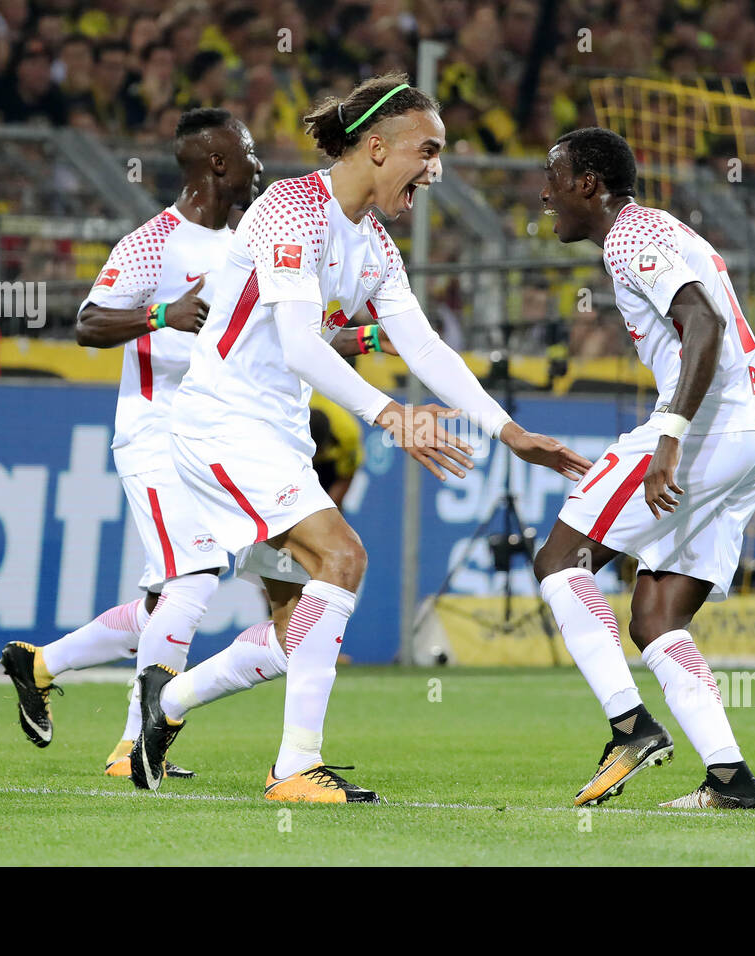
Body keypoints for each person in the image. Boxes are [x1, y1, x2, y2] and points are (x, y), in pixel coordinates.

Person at [129, 73, 591, 803]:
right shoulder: (291, 208)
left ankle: (169, 703)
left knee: (296, 633)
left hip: (274, 434)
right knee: (344, 557)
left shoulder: (372, 243)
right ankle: (293, 769)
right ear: (378, 148)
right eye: (428, 151)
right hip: (221, 422)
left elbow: (426, 348)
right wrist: (390, 415)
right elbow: (299, 344)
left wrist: (508, 431)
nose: (436, 170)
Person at [0, 108, 389, 778]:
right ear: (216, 164)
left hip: (233, 439)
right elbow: (88, 322)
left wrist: (374, 336)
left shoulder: (256, 238)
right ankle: (132, 747)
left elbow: (290, 334)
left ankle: (41, 665)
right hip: (156, 430)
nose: (261, 169)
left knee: (189, 601)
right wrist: (161, 314)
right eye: (249, 158)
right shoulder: (155, 243)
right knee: (195, 574)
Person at [534, 127, 755, 810]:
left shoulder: (634, 237)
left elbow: (703, 325)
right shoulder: (660, 232)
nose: (544, 192)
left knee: (559, 559)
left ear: (589, 184)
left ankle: (629, 727)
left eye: (554, 176)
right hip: (750, 434)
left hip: (704, 432)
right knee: (657, 616)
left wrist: (669, 438)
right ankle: (730, 779)